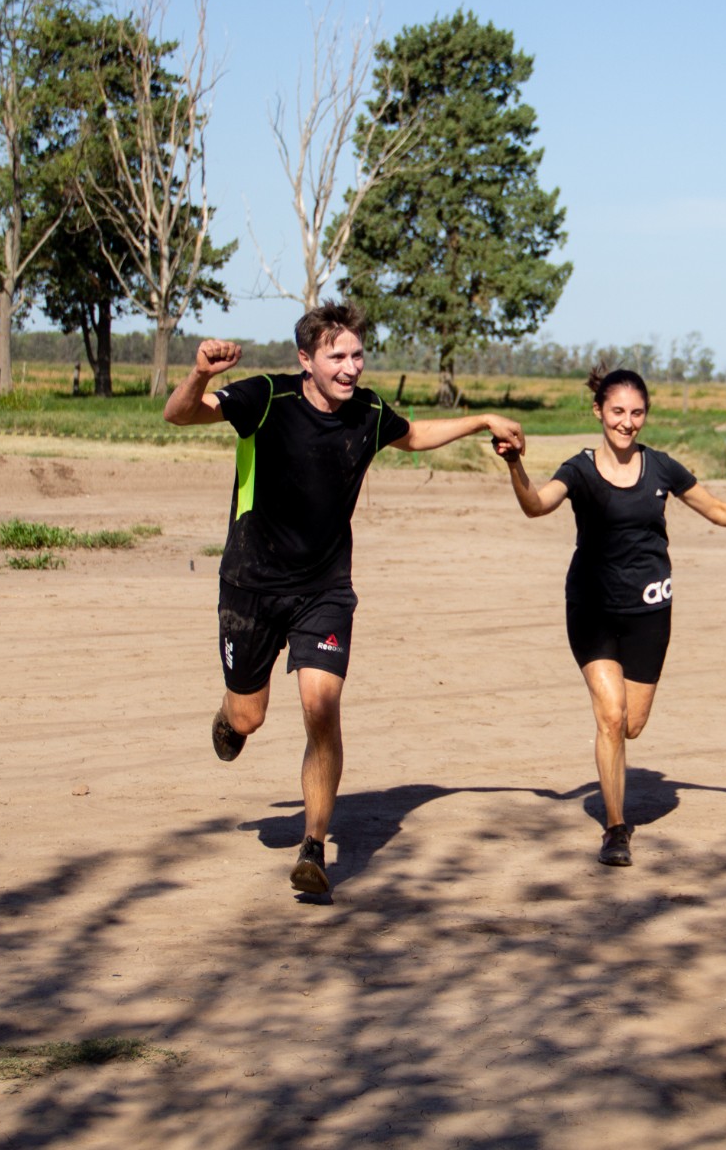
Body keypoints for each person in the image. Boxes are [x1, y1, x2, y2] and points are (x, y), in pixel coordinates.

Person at [163, 302, 523, 897]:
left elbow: (414, 436)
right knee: (249, 715)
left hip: (325, 590)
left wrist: (482, 419)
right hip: (250, 585)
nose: (351, 367)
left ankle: (313, 847)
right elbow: (180, 415)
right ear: (306, 360)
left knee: (320, 708)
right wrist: (201, 373)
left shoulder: (370, 411)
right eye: (337, 356)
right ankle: (231, 719)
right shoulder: (266, 398)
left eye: (357, 354)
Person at [492, 367, 726, 867]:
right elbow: (536, 505)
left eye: (636, 413)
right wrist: (517, 466)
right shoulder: (577, 469)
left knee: (633, 724)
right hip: (592, 608)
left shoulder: (662, 468)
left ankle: (615, 778)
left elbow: (715, 509)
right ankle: (616, 828)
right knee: (610, 715)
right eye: (618, 412)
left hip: (650, 610)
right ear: (598, 412)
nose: (627, 423)